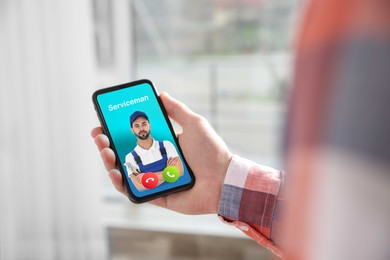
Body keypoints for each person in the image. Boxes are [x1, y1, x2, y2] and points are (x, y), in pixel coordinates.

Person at [92, 0, 390, 259]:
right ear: (132, 130)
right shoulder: (131, 156)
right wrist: (222, 180)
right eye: (138, 125)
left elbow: (338, 233)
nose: (143, 127)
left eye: (145, 122)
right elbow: (331, 219)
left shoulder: (351, 17)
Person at [125, 111, 183, 191]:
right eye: (137, 126)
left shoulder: (166, 145)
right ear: (132, 130)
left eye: (144, 124)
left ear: (150, 125)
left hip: (178, 191)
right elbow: (140, 187)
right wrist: (169, 172)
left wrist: (147, 177)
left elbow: (179, 172)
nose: (141, 129)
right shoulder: (130, 158)